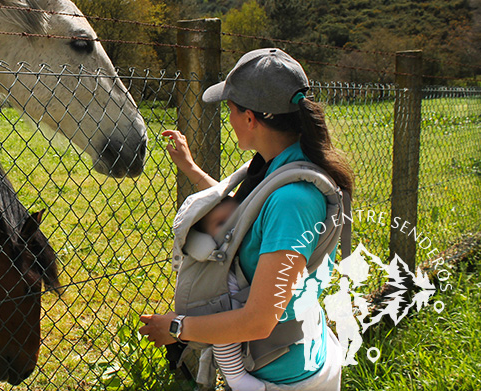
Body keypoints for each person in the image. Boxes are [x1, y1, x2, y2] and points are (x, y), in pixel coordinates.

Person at [139, 48, 353, 390]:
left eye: (231, 109)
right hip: (299, 352)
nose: (230, 118)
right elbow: (248, 217)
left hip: (285, 377)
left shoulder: (292, 201)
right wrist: (192, 170)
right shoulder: (280, 167)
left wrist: (177, 327)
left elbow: (258, 321)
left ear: (250, 118)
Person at [194, 199, 267, 391]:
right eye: (221, 224)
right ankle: (235, 376)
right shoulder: (223, 274)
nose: (231, 229)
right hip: (225, 319)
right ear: (208, 237)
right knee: (226, 326)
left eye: (236, 220)